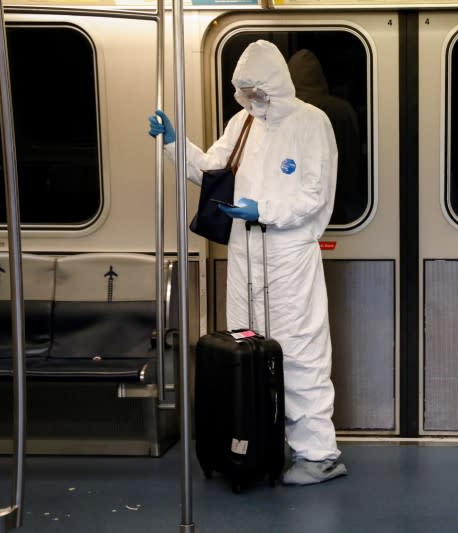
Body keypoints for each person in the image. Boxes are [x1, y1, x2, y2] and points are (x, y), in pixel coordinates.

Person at [148, 40, 346, 486]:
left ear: (277, 83)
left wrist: (265, 210)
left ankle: (319, 454)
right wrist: (175, 144)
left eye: (259, 88)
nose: (253, 97)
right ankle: (255, 440)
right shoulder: (241, 123)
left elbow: (313, 195)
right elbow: (212, 171)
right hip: (244, 253)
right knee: (247, 348)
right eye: (245, 90)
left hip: (288, 254)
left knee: (299, 352)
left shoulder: (312, 123)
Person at [287, 49, 363, 225]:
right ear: (320, 77)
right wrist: (343, 193)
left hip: (290, 209)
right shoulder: (343, 110)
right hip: (334, 205)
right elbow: (352, 160)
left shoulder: (279, 112)